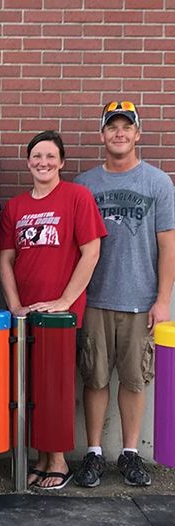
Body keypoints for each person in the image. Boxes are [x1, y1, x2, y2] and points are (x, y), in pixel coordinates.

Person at [74, 102, 175, 488]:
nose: (119, 133)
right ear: (102, 135)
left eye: (125, 127)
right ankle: (95, 453)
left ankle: (130, 454)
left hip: (140, 299)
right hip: (96, 298)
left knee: (134, 380)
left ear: (137, 134)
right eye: (111, 127)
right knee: (95, 377)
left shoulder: (157, 183)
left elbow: (168, 245)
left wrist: (163, 298)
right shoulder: (85, 184)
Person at [0, 130, 106, 490]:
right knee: (32, 389)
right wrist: (15, 306)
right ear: (28, 162)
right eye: (36, 157)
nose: (43, 163)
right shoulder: (15, 207)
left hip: (62, 317)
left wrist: (64, 301)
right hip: (27, 314)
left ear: (61, 162)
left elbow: (91, 252)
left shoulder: (77, 197)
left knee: (56, 389)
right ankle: (42, 458)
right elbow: (6, 259)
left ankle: (58, 459)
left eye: (50, 157)